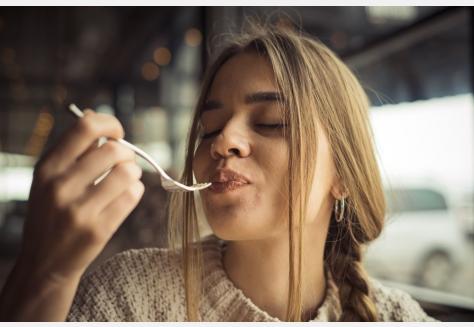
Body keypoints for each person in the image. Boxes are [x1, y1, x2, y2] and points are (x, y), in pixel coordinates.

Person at [0, 22, 437, 322]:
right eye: (209, 127)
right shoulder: (129, 296)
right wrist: (45, 274)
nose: (221, 140)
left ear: (343, 173)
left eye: (270, 122)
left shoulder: (398, 317)